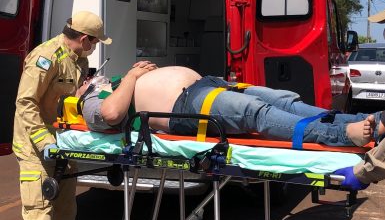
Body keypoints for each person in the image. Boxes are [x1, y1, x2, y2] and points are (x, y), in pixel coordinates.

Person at [13, 11, 112, 220]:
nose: (94, 47)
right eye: (94, 42)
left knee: (66, 209)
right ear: (84, 38)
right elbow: (25, 102)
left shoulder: (78, 60)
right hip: (35, 146)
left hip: (61, 146)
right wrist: (44, 141)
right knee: (39, 212)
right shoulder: (46, 57)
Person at [78, 64, 382, 149]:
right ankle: (343, 135)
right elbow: (112, 114)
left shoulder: (109, 85)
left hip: (205, 86)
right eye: (84, 77)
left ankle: (362, 120)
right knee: (256, 114)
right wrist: (131, 75)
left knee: (283, 100)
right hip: (186, 105)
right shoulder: (89, 101)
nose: (91, 75)